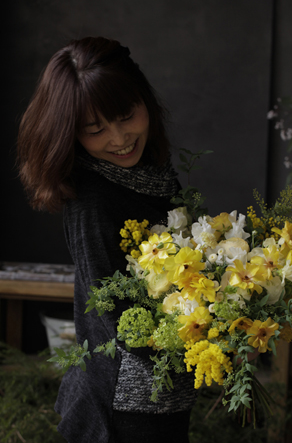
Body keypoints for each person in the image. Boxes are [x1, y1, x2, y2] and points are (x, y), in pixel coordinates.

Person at [17, 37, 197, 443]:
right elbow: (117, 319)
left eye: (126, 116)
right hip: (121, 401)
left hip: (161, 388)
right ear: (70, 133)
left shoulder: (150, 172)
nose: (119, 139)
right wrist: (210, 339)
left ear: (144, 100)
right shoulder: (92, 202)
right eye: (95, 130)